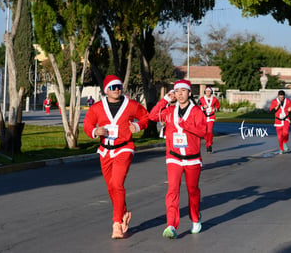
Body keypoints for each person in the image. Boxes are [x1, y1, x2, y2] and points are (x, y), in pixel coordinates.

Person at [83, 75, 149, 239]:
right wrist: (94, 131)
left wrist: (137, 125)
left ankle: (117, 223)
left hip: (124, 148)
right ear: (106, 90)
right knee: (111, 187)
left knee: (117, 183)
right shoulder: (97, 107)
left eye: (119, 86)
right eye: (113, 87)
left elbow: (145, 117)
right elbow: (87, 124)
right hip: (105, 151)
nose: (117, 90)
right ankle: (123, 212)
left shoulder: (131, 105)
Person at [149, 80, 207, 239]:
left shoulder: (196, 112)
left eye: (183, 91)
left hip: (192, 159)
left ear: (189, 93)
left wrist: (186, 125)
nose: (180, 94)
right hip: (173, 157)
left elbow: (203, 131)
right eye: (177, 91)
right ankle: (171, 225)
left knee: (192, 191)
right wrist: (165, 99)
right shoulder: (168, 111)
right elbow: (152, 115)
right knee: (172, 190)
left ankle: (195, 218)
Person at [269, 90, 291, 154]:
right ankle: (281, 149)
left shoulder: (287, 101)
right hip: (278, 121)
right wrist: (276, 107)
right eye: (280, 97)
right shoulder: (274, 101)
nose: (281, 99)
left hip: (285, 120)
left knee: (285, 133)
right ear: (278, 96)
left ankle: (284, 143)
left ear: (284, 96)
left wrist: (290, 109)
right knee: (279, 136)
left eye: (282, 97)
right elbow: (271, 111)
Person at [198, 87, 220, 153]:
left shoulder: (214, 99)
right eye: (207, 91)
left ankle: (209, 145)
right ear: (205, 92)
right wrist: (202, 107)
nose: (208, 93)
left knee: (209, 131)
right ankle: (208, 142)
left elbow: (218, 106)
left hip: (211, 117)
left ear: (211, 92)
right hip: (204, 117)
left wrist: (215, 109)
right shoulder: (201, 99)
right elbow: (197, 107)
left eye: (209, 91)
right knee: (205, 132)